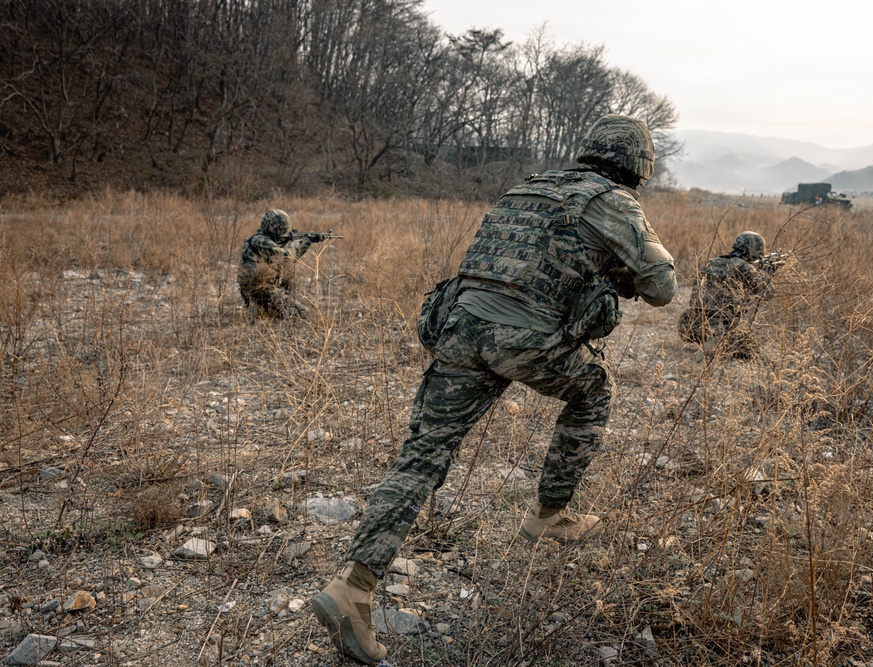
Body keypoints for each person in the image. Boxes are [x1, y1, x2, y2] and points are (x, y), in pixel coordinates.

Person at [310, 114, 677, 664]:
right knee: (595, 390)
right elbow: (663, 290)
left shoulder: (526, 188)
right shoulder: (612, 202)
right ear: (636, 167)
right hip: (524, 337)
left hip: (459, 328)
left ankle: (353, 586)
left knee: (425, 452)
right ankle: (549, 516)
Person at [677, 231, 774, 360]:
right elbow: (768, 293)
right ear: (755, 250)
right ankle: (711, 347)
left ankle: (711, 339)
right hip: (724, 321)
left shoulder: (714, 262)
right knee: (750, 351)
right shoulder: (745, 267)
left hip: (695, 320)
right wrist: (765, 273)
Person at [238, 209, 314, 319]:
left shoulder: (258, 239)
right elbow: (287, 257)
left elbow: (290, 259)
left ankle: (260, 311)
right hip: (261, 290)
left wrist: (306, 244)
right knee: (303, 313)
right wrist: (293, 243)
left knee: (278, 316)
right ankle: (259, 311)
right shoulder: (262, 241)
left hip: (258, 290)